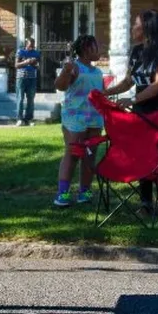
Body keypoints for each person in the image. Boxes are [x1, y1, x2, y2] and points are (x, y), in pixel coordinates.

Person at [104, 9, 158, 220]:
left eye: (136, 24)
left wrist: (132, 100)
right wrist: (106, 92)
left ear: (147, 27)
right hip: (142, 110)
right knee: (143, 154)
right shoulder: (136, 51)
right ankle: (146, 204)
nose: (133, 28)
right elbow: (129, 81)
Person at [52, 35, 103, 207]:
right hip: (75, 118)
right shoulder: (74, 67)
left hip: (95, 119)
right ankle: (63, 193)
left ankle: (85, 191)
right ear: (86, 49)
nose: (99, 50)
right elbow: (60, 85)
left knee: (89, 157)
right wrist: (66, 72)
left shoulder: (98, 72)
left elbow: (99, 94)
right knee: (73, 154)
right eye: (96, 47)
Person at [15, 38, 40, 126]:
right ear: (26, 44)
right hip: (21, 78)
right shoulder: (20, 52)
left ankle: (28, 119)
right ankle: (19, 119)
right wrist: (27, 62)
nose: (32, 47)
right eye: (30, 45)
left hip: (32, 78)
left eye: (33, 45)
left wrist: (33, 63)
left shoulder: (36, 53)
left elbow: (37, 66)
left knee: (31, 99)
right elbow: (16, 65)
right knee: (20, 98)